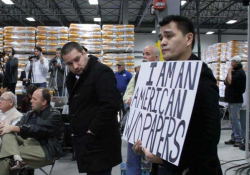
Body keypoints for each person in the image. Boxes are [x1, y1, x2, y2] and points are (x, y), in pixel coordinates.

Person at [132, 15, 222, 175]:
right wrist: (144, 145)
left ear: (188, 39)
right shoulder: (161, 77)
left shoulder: (201, 78)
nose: (163, 42)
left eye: (169, 36)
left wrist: (165, 159)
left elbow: (209, 138)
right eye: (161, 38)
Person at [61, 42, 122, 175]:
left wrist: (92, 131)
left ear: (84, 53)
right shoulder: (73, 77)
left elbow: (111, 105)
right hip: (86, 143)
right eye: (70, 64)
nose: (75, 66)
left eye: (77, 60)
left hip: (101, 143)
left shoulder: (101, 72)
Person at [0, 88, 63, 175]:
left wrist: (14, 128)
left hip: (45, 148)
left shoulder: (54, 115)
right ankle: (17, 158)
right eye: (31, 98)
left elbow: (39, 130)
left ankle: (16, 158)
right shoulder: (30, 114)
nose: (31, 101)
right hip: (27, 143)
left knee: (5, 156)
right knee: (7, 132)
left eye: (34, 99)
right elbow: (17, 127)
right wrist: (5, 127)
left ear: (44, 102)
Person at [123, 45, 160, 175]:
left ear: (156, 57)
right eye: (143, 54)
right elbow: (127, 94)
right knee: (133, 159)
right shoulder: (138, 74)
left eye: (147, 54)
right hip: (137, 122)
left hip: (156, 125)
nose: (143, 57)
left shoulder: (165, 73)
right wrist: (130, 99)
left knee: (156, 160)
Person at [224, 55, 246, 147]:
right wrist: (228, 73)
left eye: (232, 62)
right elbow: (226, 82)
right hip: (231, 99)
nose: (231, 63)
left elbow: (230, 82)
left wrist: (229, 72)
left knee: (235, 120)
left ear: (236, 62)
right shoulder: (234, 71)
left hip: (236, 100)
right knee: (232, 120)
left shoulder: (240, 72)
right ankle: (234, 138)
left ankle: (238, 139)